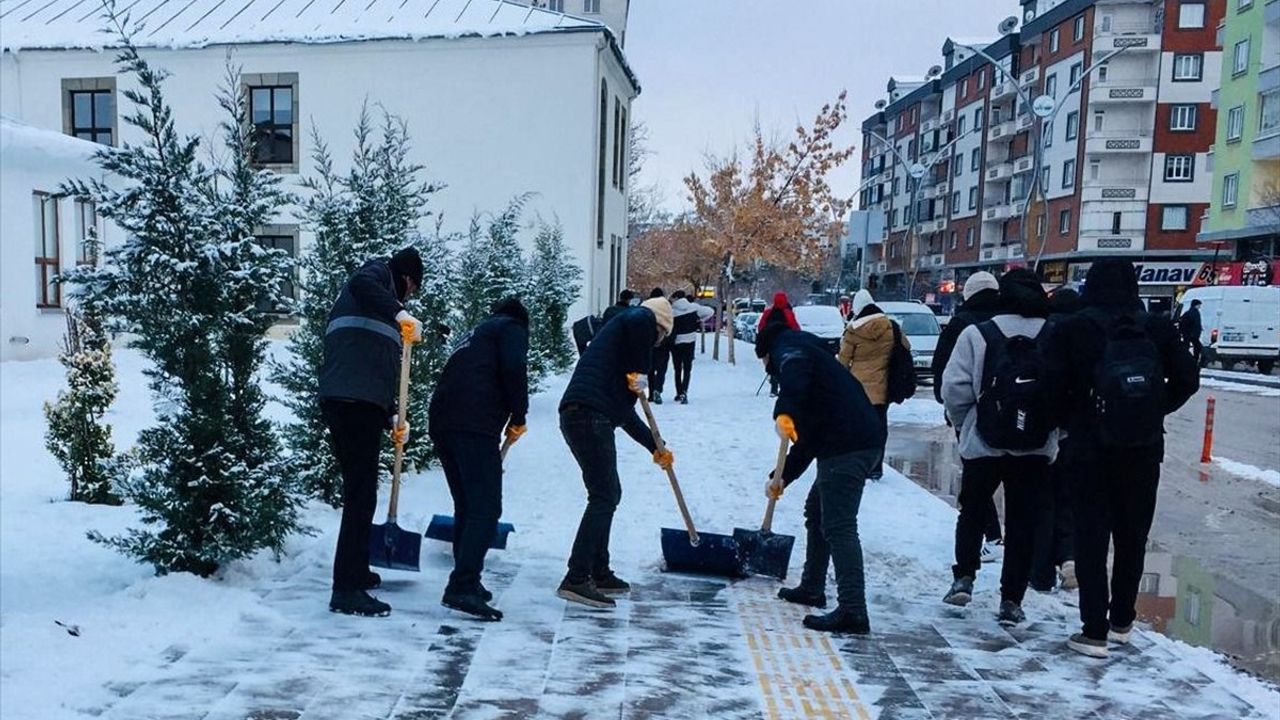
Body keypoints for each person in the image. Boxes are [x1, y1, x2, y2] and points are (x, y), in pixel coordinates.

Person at [1044, 259, 1198, 658]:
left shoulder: (1074, 328)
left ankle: (1093, 631)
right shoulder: (1157, 328)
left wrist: (1073, 420)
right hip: (1144, 448)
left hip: (1088, 448)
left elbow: (1051, 386)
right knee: (1133, 536)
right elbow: (1188, 378)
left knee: (1091, 538)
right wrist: (1154, 409)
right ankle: (1123, 621)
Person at [941, 269, 1058, 627]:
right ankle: (1011, 599)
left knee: (973, 510)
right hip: (1036, 448)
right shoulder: (1054, 334)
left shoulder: (978, 334)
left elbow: (954, 388)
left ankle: (964, 577)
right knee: (1023, 522)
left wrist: (966, 424)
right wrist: (1055, 431)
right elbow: (1068, 390)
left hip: (984, 444)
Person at [757, 315, 885, 634]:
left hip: (848, 445)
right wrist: (782, 476)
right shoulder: (813, 356)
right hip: (851, 439)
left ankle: (853, 610)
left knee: (839, 525)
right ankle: (812, 586)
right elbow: (808, 440)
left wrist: (785, 411)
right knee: (816, 512)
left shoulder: (790, 350)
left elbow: (794, 371)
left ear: (767, 352)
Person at [319, 247, 424, 618]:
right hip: (350, 402)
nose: (408, 297)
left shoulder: (383, 311)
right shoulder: (376, 274)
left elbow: (376, 367)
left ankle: (357, 571)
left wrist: (391, 414)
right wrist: (399, 312)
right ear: (406, 278)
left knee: (363, 493)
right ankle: (346, 589)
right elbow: (362, 284)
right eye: (412, 288)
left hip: (361, 403)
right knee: (360, 495)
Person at [557, 296, 675, 608]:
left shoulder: (617, 356)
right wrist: (642, 371)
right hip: (588, 416)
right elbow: (639, 318)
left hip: (582, 415)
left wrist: (656, 447)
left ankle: (599, 571)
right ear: (660, 327)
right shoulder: (640, 319)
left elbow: (624, 414)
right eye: (660, 337)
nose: (656, 344)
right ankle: (577, 577)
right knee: (604, 495)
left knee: (608, 493)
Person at [428, 297, 530, 622]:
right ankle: (462, 585)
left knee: (467, 505)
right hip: (473, 423)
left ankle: (467, 578)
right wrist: (519, 414)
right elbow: (514, 368)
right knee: (485, 509)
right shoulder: (512, 328)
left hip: (443, 421)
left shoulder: (477, 334)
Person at [931, 271, 1005, 559]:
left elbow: (944, 372)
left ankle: (991, 538)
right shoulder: (1009, 318)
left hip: (974, 414)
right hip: (1018, 413)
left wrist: (952, 409)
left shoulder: (962, 323)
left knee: (977, 482)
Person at [1031, 287, 1082, 592]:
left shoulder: (1044, 334)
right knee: (1070, 500)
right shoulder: (1087, 335)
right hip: (1079, 433)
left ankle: (1040, 573)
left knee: (1042, 502)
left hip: (1045, 432)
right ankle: (1070, 557)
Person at [837, 289, 910, 481]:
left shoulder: (853, 331)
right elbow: (906, 347)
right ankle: (876, 467)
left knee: (859, 428)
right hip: (883, 388)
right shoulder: (891, 327)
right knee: (880, 428)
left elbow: (843, 361)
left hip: (857, 390)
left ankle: (860, 464)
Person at [669, 290, 714, 403]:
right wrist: (699, 320)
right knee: (687, 368)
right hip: (690, 340)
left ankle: (678, 392)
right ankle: (684, 391)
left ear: (676, 298)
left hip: (677, 342)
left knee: (677, 368)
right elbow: (710, 311)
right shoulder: (693, 307)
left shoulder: (672, 310)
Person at [758, 292, 801, 396]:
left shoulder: (768, 312)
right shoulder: (788, 313)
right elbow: (795, 327)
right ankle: (784, 386)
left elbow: (761, 326)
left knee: (772, 363)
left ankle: (773, 387)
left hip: (769, 342)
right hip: (784, 343)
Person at [647, 288, 672, 404]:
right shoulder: (667, 306)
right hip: (664, 342)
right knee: (661, 369)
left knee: (650, 370)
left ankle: (651, 393)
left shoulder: (646, 306)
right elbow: (670, 322)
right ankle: (658, 389)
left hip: (649, 342)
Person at [1179, 298, 1203, 366]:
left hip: (1188, 333)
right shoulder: (1195, 313)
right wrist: (1196, 332)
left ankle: (1185, 359)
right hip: (1192, 334)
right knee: (1197, 347)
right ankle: (1194, 360)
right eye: (1199, 305)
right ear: (1195, 305)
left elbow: (1182, 322)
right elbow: (1196, 324)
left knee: (1187, 346)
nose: (1199, 306)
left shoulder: (1187, 312)